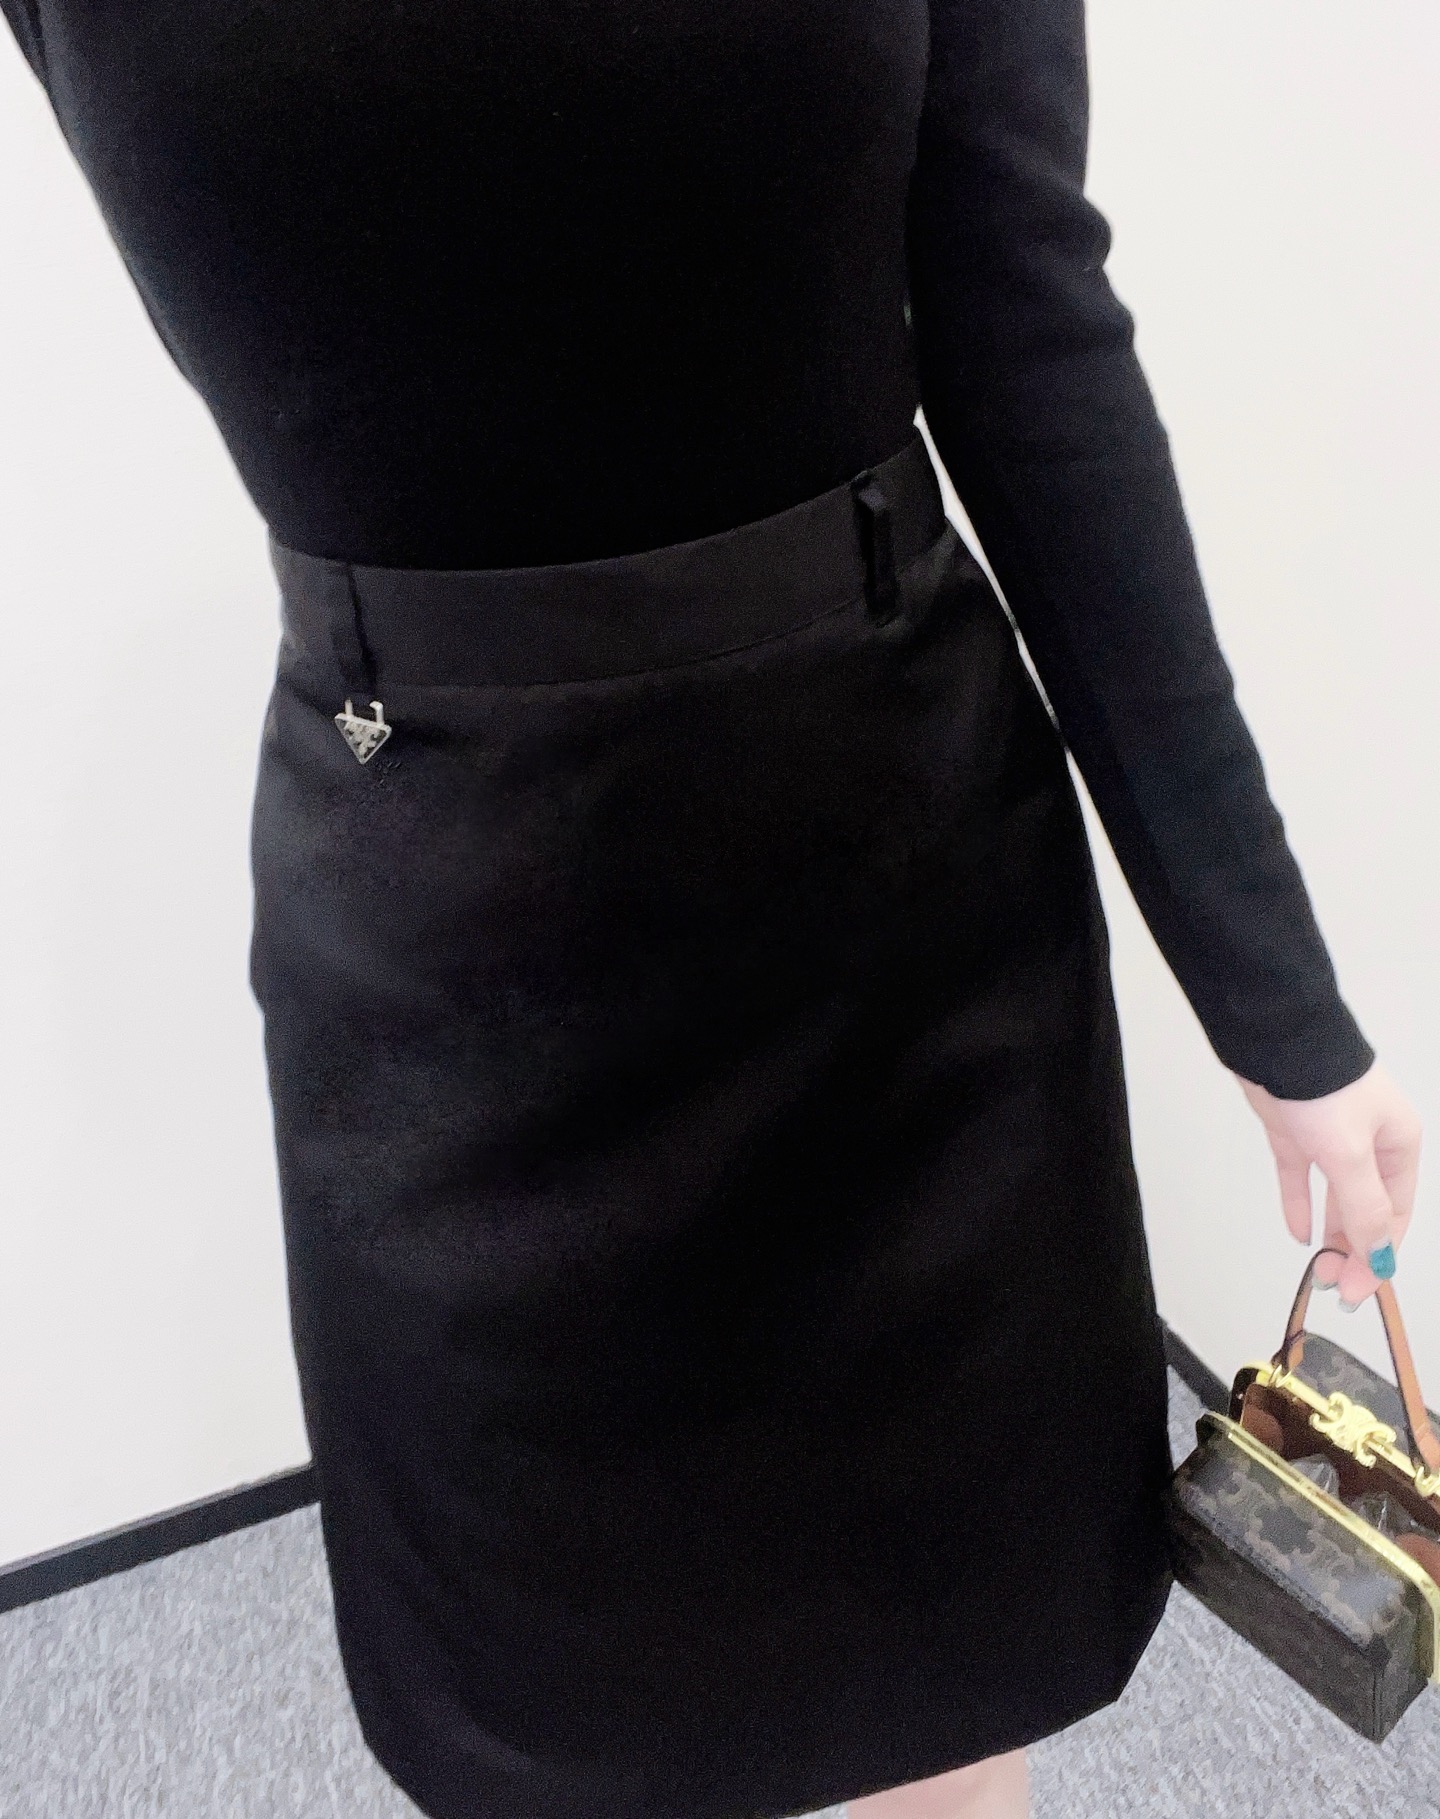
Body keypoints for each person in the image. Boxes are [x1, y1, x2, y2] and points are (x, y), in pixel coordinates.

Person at [0, 3, 1422, 1817]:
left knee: (936, 1681)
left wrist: (1272, 998)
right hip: (447, 968)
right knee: (569, 1717)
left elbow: (1029, 334)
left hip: (902, 927)